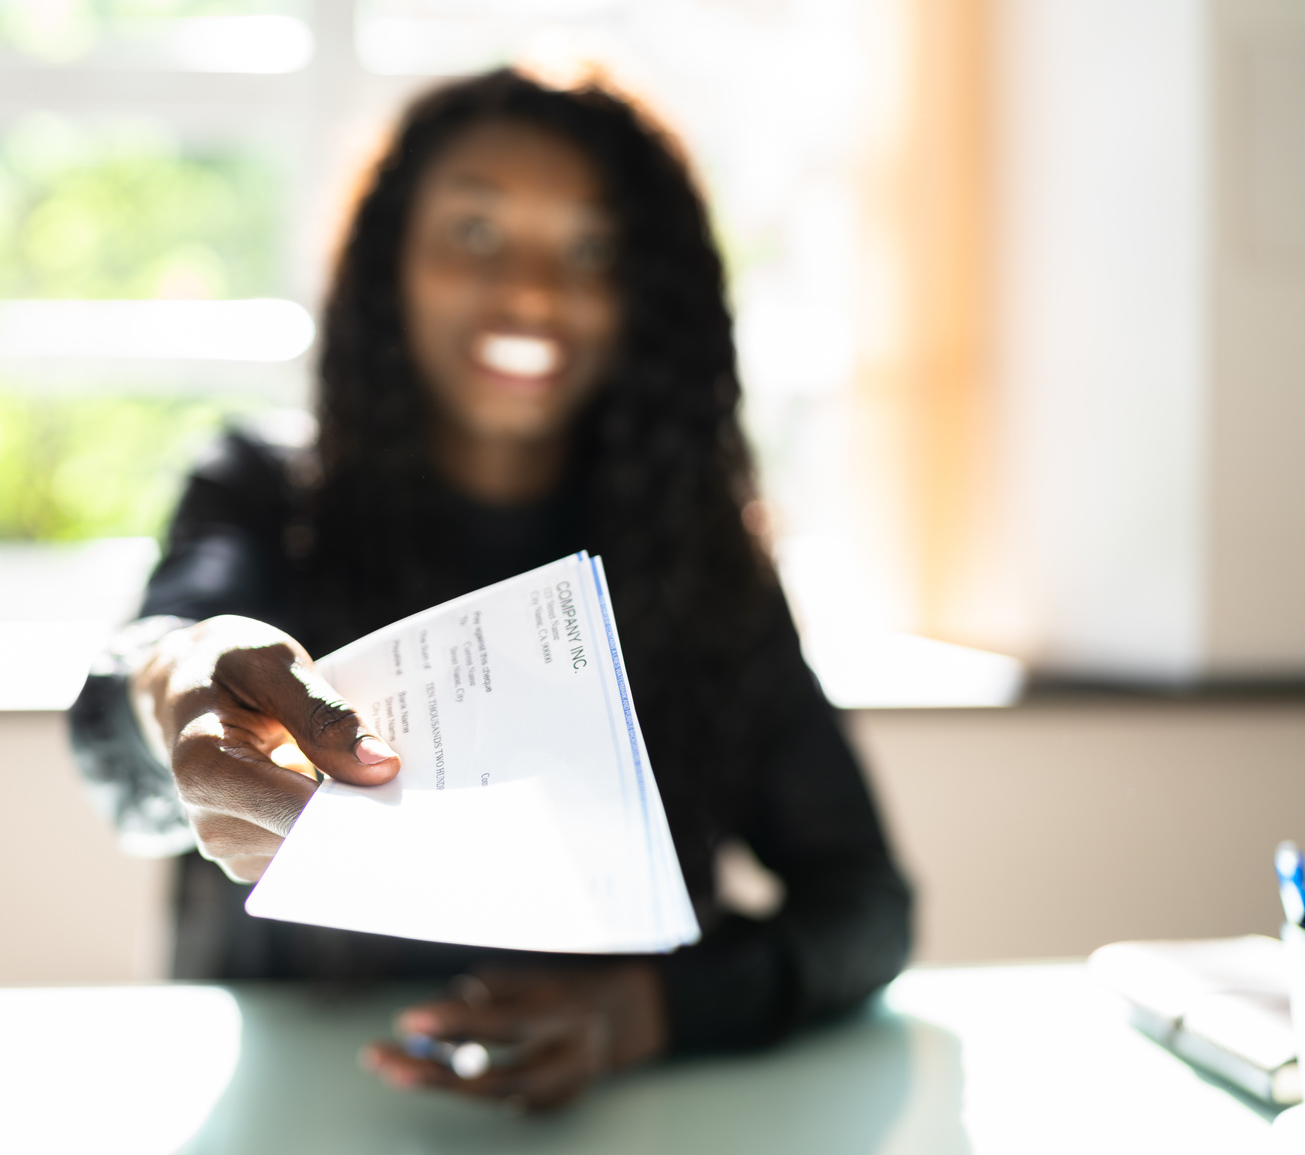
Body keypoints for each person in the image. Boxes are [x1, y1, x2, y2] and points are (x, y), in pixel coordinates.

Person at [68, 68, 911, 1112]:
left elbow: (866, 906)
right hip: (299, 1115)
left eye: (591, 250)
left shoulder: (697, 561)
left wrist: (647, 1012)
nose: (530, 293)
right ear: (390, 267)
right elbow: (139, 681)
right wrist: (178, 677)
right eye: (474, 233)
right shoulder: (260, 496)